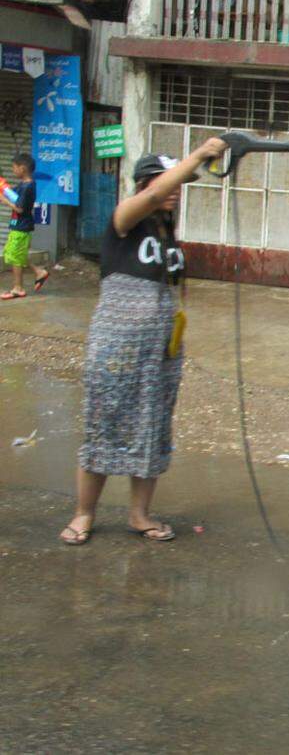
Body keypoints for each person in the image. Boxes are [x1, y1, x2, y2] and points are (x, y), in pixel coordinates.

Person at [59, 140, 227, 546]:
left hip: (160, 352)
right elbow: (153, 195)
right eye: (163, 183)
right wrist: (200, 155)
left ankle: (139, 514)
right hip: (117, 346)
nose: (172, 191)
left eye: (177, 185)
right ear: (142, 186)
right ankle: (83, 514)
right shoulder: (124, 218)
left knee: (152, 427)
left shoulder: (167, 233)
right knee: (103, 425)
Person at [2, 153, 50, 300]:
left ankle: (18, 288)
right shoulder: (24, 185)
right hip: (18, 225)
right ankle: (39, 272)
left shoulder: (28, 186)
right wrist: (2, 186)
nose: (13, 170)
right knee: (14, 254)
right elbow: (13, 195)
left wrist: (4, 201)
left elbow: (20, 209)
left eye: (14, 168)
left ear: (22, 169)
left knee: (16, 256)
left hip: (22, 226)